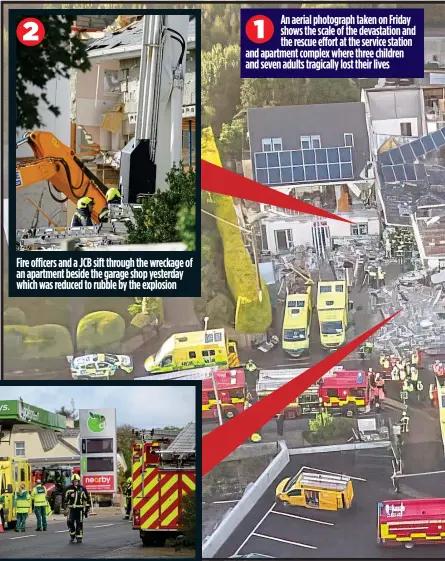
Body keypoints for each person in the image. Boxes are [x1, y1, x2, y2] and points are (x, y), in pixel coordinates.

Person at [64, 474, 91, 543]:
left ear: (78, 481)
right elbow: (64, 499)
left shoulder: (82, 489)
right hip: (71, 509)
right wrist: (70, 496)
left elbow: (87, 499)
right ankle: (72, 535)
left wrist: (87, 510)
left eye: (77, 481)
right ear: (72, 481)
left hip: (79, 509)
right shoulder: (68, 489)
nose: (76, 482)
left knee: (79, 523)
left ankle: (79, 537)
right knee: (70, 522)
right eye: (74, 481)